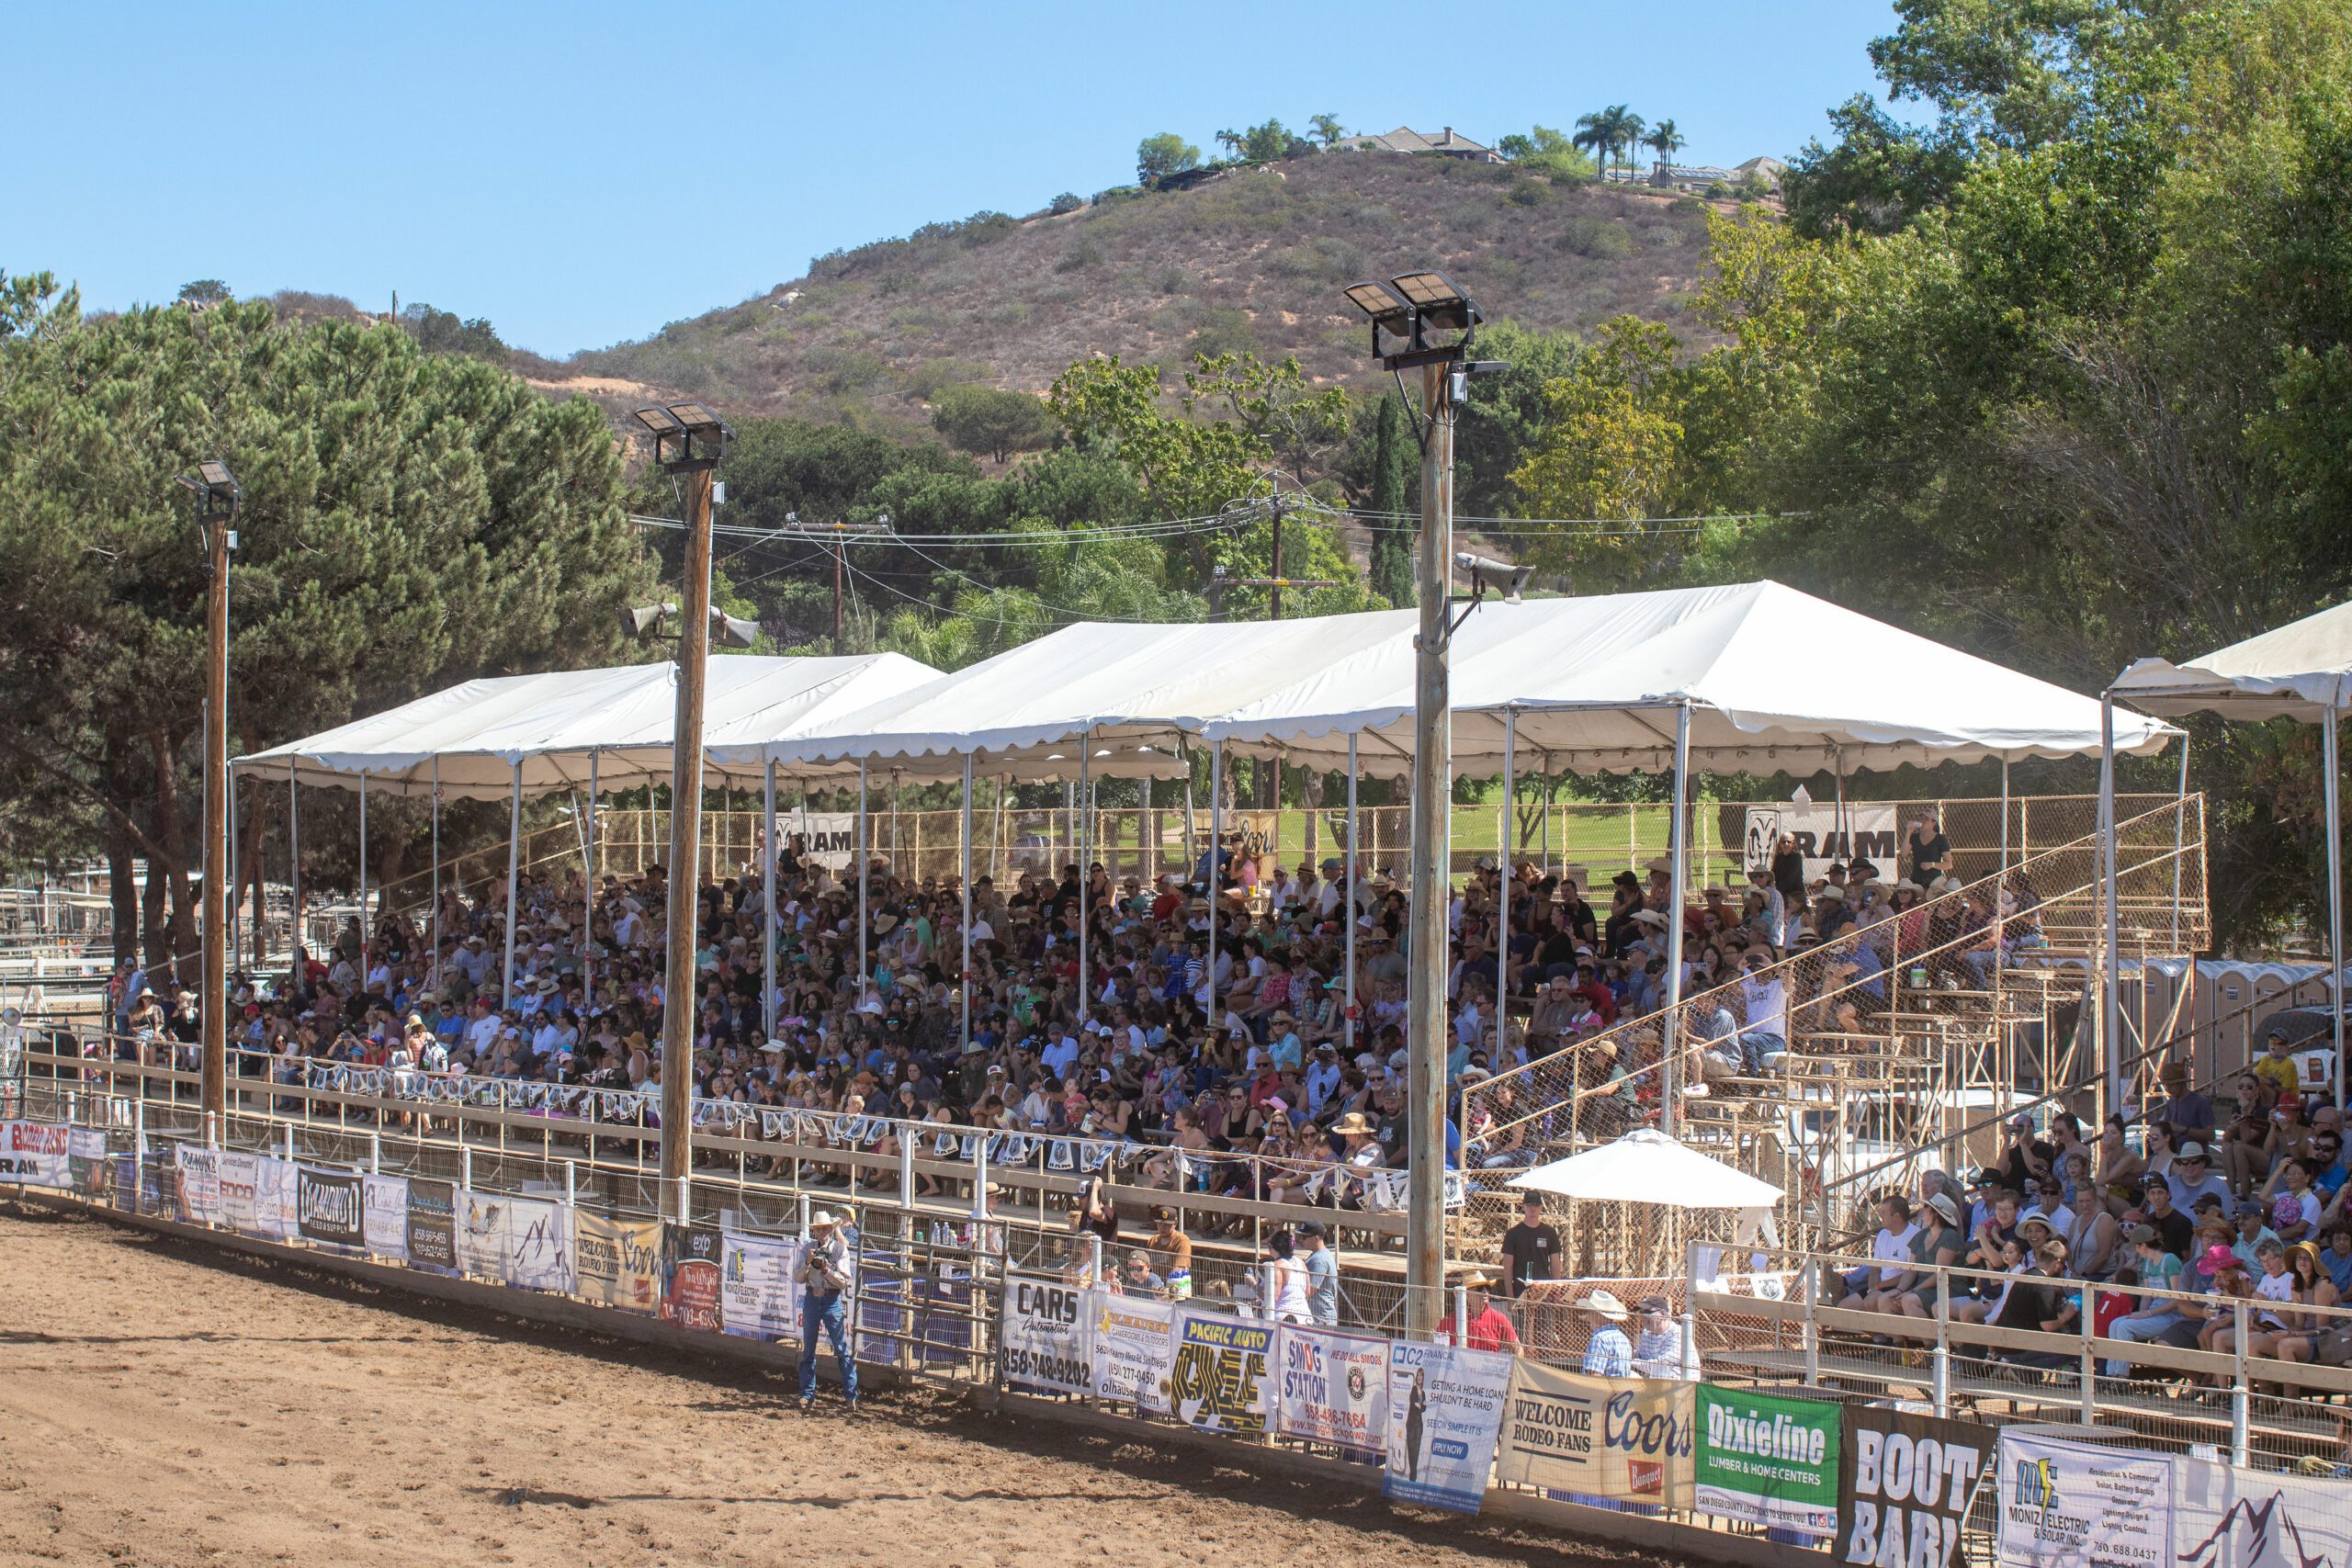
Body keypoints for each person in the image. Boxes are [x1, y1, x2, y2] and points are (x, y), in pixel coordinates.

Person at [797, 1210, 858, 1414]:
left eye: (824, 1228)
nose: (821, 1232)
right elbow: (797, 1277)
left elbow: (843, 1281)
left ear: (830, 1230)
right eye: (818, 1229)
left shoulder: (840, 1249)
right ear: (814, 1231)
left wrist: (826, 1269)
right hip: (813, 1297)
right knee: (809, 1349)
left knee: (841, 1349)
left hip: (831, 1300)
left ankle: (851, 1396)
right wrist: (808, 1262)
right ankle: (807, 1394)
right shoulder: (807, 1249)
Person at [1498, 1194, 1562, 1299]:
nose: (1533, 1208)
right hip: (1521, 1290)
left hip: (1543, 1290)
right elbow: (1508, 1267)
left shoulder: (1549, 1233)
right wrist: (1510, 1296)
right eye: (1529, 1205)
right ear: (1523, 1207)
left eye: (1536, 1205)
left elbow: (1555, 1265)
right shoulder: (1513, 1234)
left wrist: (1557, 1292)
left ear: (1541, 1208)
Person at [1438, 1272, 1520, 1352]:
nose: (1485, 1291)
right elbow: (1436, 1351)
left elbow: (1518, 1350)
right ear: (1467, 1295)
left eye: (1487, 1287)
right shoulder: (1448, 1321)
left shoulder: (1498, 1319)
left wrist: (1513, 1365)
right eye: (1480, 1288)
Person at [1630, 1294, 1692, 1379]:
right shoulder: (1647, 1333)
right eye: (1641, 1313)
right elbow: (1640, 1354)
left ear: (1663, 1314)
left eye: (1647, 1313)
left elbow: (1660, 1366)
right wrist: (1625, 1355)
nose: (1643, 1317)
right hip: (1655, 1381)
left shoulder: (1677, 1334)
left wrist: (1629, 1361)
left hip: (1678, 1384)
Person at [1577, 1290, 1633, 1375]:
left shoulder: (1599, 1339)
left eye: (1590, 1312)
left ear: (1597, 1315)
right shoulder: (1623, 1338)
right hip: (1622, 1387)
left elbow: (1595, 1376)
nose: (1588, 1316)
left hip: (1604, 1387)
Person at [1296, 1220, 1340, 1326]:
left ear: (1316, 1238)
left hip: (1321, 1319)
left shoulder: (1319, 1260)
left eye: (1304, 1237)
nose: (1301, 1240)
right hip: (1318, 1317)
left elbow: (1309, 1291)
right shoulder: (1317, 1255)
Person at [1264, 1230, 1312, 1324]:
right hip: (1305, 1318)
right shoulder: (1300, 1262)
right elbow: (1307, 1292)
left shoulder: (1277, 1266)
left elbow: (1272, 1297)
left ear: (1273, 1248)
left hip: (1285, 1320)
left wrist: (1253, 1285)